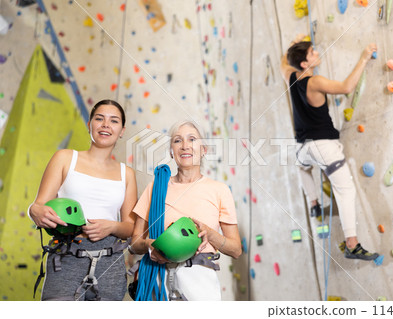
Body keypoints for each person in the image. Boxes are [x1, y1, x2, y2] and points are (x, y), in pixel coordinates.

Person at [280, 34, 379, 261]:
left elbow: (282, 64)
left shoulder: (291, 76)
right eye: (312, 53)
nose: (317, 53)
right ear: (305, 63)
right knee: (346, 191)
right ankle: (352, 244)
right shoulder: (314, 81)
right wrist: (364, 58)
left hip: (303, 149)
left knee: (303, 168)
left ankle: (313, 202)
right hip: (324, 146)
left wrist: (293, 46)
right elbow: (346, 87)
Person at [28, 99, 137, 300]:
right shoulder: (64, 158)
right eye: (99, 118)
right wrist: (35, 211)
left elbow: (131, 228)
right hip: (67, 257)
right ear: (89, 125)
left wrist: (111, 227)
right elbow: (38, 206)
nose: (105, 125)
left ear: (122, 130)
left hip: (109, 262)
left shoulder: (126, 174)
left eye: (114, 121)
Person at [130, 120, 242, 300]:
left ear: (204, 149)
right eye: (177, 141)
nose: (185, 146)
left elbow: (236, 250)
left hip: (200, 283)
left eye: (192, 139)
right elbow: (134, 244)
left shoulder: (219, 190)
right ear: (171, 152)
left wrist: (209, 234)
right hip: (158, 281)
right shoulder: (156, 188)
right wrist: (149, 245)